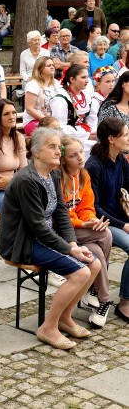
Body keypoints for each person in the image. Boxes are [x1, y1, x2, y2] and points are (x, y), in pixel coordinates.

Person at [0, 128, 101, 349]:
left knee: (95, 265)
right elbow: (36, 227)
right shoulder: (27, 179)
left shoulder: (53, 173)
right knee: (81, 271)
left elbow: (61, 212)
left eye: (59, 146)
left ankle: (65, 318)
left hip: (44, 238)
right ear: (36, 152)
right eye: (52, 146)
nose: (59, 151)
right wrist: (69, 249)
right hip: (23, 242)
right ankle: (48, 327)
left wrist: (72, 243)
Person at [59, 135, 112, 328]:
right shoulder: (58, 178)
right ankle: (103, 298)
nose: (81, 158)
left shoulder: (83, 175)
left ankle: (94, 289)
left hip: (81, 228)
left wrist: (91, 219)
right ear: (64, 159)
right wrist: (84, 224)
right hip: (64, 231)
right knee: (106, 234)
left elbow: (86, 205)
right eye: (74, 155)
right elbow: (61, 215)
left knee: (96, 253)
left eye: (81, 152)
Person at [86, 117, 129, 323]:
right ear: (111, 139)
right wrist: (124, 225)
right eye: (126, 134)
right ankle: (125, 302)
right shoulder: (94, 165)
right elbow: (94, 207)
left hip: (121, 218)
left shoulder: (120, 159)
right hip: (104, 222)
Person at [50, 64, 95, 156]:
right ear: (72, 79)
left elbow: (92, 119)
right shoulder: (60, 99)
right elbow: (60, 127)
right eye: (83, 77)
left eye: (87, 77)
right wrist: (86, 135)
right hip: (67, 138)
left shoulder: (86, 96)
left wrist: (93, 133)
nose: (87, 81)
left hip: (85, 134)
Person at [23, 57, 60, 135]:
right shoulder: (32, 85)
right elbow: (29, 109)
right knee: (52, 132)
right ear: (40, 69)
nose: (52, 67)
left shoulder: (56, 83)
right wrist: (48, 121)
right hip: (34, 121)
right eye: (49, 65)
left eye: (53, 65)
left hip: (54, 120)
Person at [86, 66, 116, 138]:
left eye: (113, 81)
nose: (111, 84)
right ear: (98, 83)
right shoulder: (95, 100)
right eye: (107, 81)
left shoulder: (115, 98)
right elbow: (93, 121)